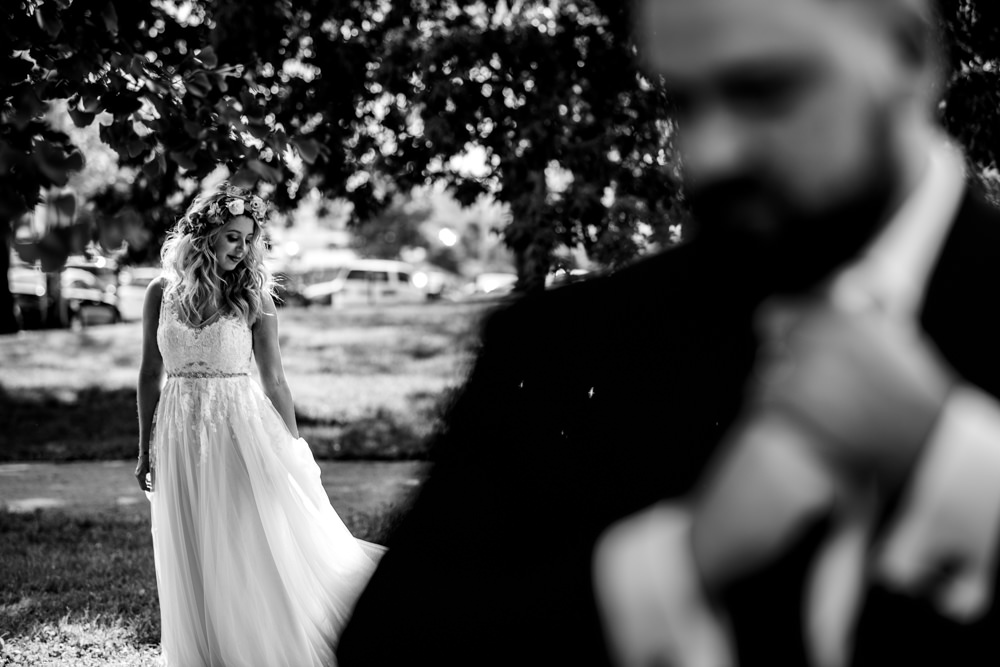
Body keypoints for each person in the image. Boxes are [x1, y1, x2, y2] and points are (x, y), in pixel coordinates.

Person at [338, 0, 1000, 665]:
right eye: (685, 101)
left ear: (911, 56)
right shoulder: (559, 349)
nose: (708, 154)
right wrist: (680, 562)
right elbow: (392, 645)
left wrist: (950, 460)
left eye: (763, 90)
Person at [134, 182, 384, 667]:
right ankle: (206, 652)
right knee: (191, 539)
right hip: (178, 428)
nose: (243, 248)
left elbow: (275, 379)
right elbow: (149, 373)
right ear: (204, 234)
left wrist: (293, 446)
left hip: (238, 428)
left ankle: (253, 646)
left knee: (241, 535)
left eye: (249, 238)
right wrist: (145, 447)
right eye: (233, 236)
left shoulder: (254, 295)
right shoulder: (158, 293)